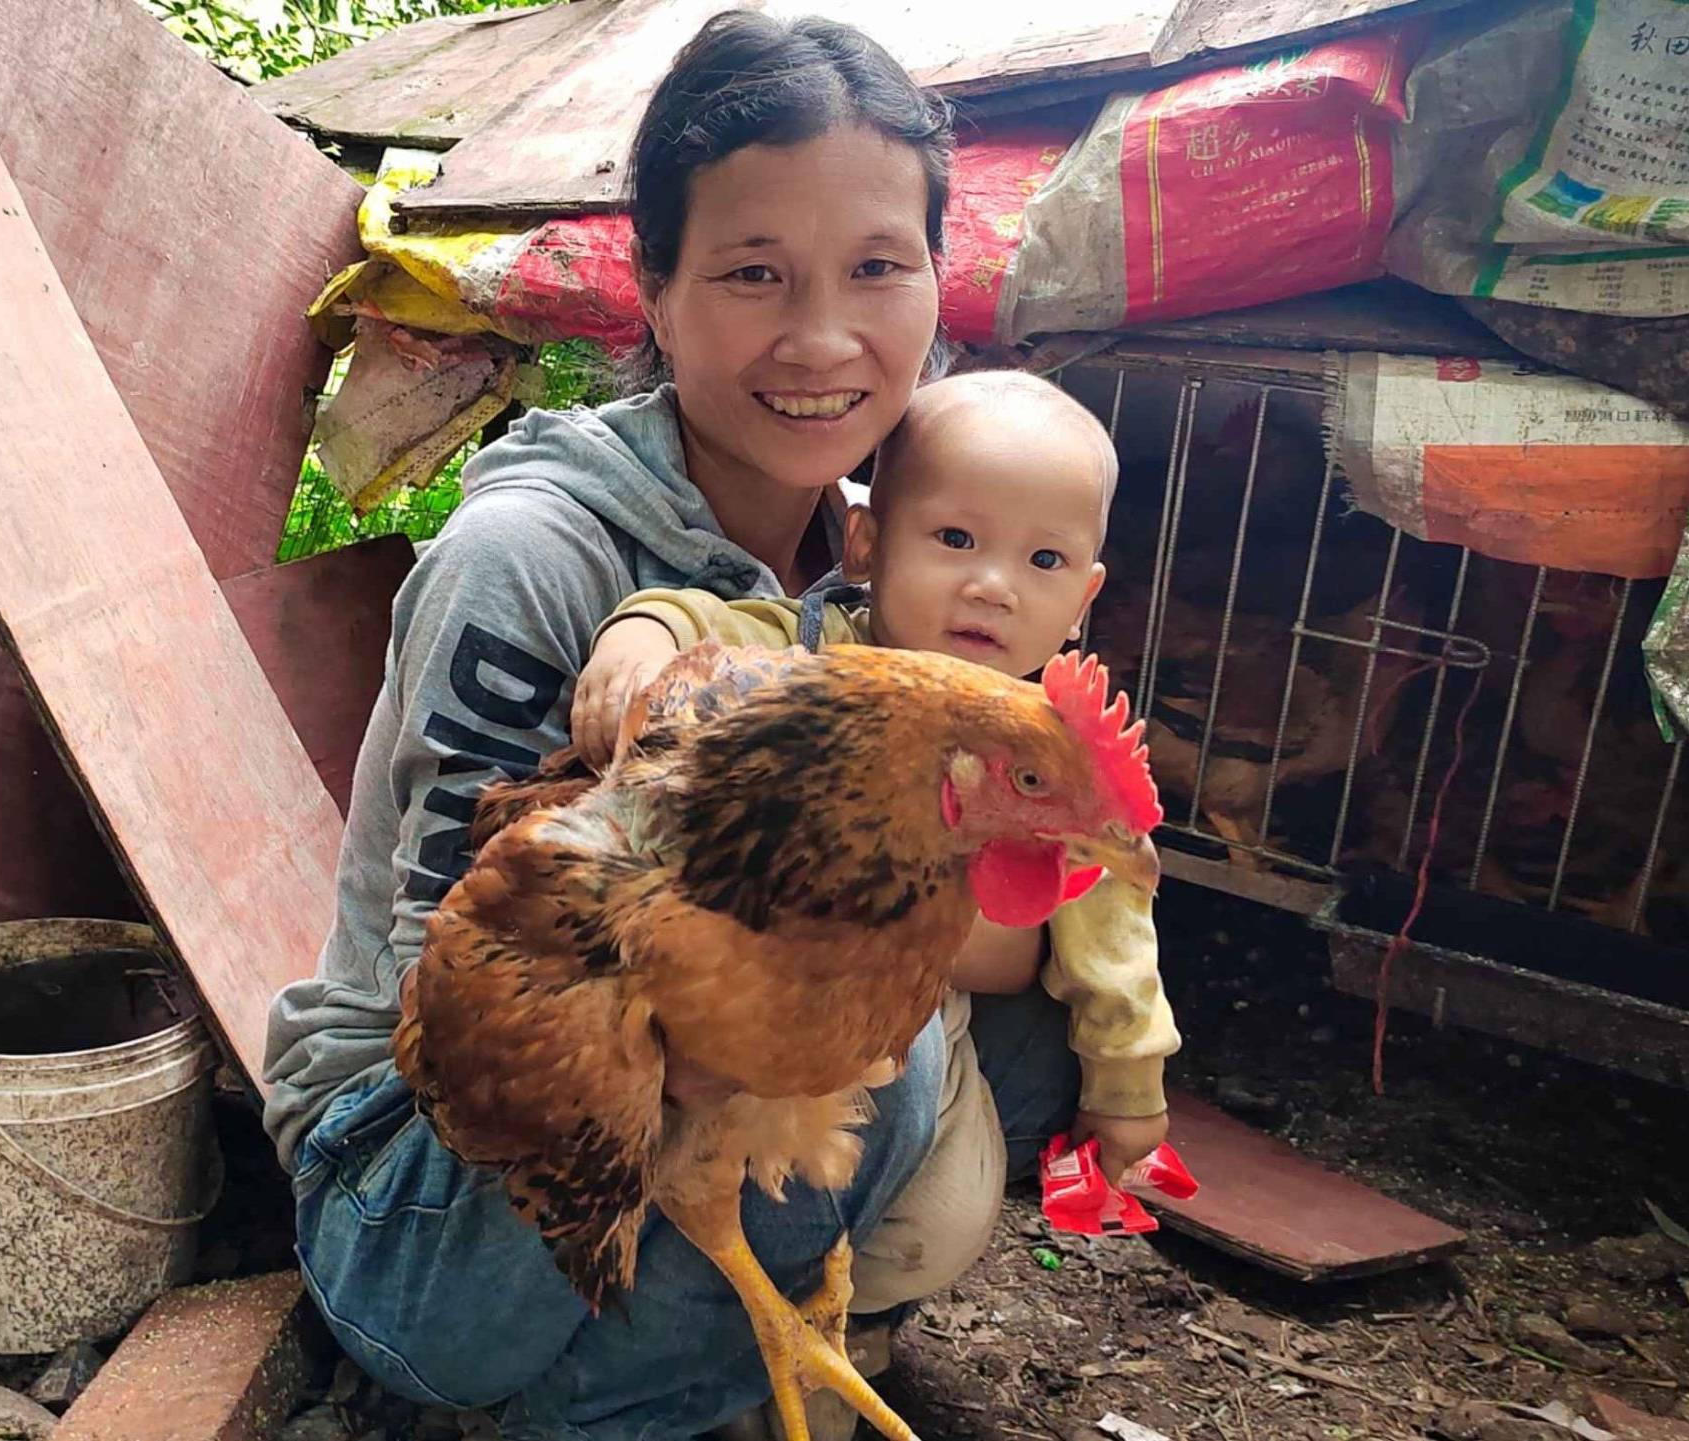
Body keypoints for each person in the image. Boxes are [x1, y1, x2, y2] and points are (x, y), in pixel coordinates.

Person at [263, 14, 1083, 1436]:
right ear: (651, 286)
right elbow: (468, 1021)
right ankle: (578, 1382)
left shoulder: (897, 558)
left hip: (700, 1093)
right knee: (858, 1058)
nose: (823, 337)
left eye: (878, 267)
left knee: (983, 1036)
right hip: (431, 1163)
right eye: (753, 272)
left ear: (936, 283)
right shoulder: (529, 556)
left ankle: (704, 1341)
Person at [573, 368, 1179, 1319]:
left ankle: (837, 1317)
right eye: (954, 538)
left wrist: (1128, 1084)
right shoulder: (818, 656)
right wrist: (644, 630)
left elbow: (1115, 944)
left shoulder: (1049, 752)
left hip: (927, 1031)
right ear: (863, 542)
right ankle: (714, 1332)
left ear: (1086, 597)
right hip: (756, 1011)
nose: (992, 584)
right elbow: (718, 622)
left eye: (1044, 562)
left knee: (933, 1224)